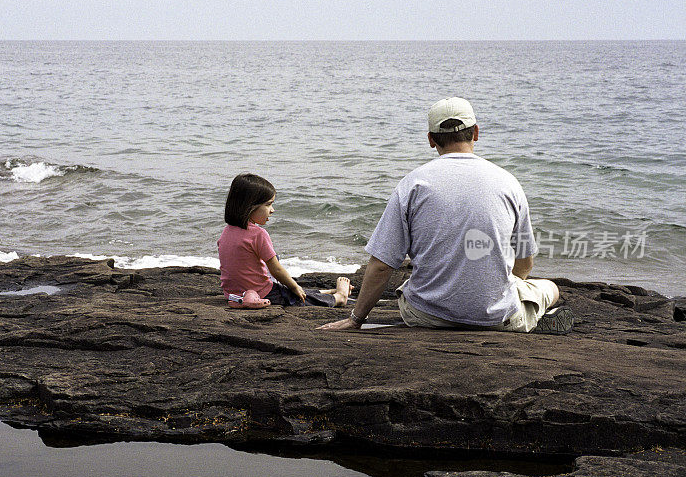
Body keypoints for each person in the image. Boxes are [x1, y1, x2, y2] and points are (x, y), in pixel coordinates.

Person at [319, 97, 573, 333]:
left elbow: (382, 264)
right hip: (497, 320)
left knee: (407, 287)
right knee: (550, 288)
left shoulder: (413, 184)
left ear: (431, 139)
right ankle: (532, 317)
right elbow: (524, 264)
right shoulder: (508, 182)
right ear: (475, 132)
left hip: (427, 317)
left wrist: (356, 319)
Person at [218, 173, 352, 308]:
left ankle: (327, 291)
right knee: (295, 297)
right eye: (268, 205)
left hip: (233, 294)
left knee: (289, 290)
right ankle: (339, 297)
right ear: (250, 206)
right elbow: (276, 270)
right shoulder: (258, 234)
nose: (272, 210)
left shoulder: (226, 231)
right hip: (263, 293)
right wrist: (294, 287)